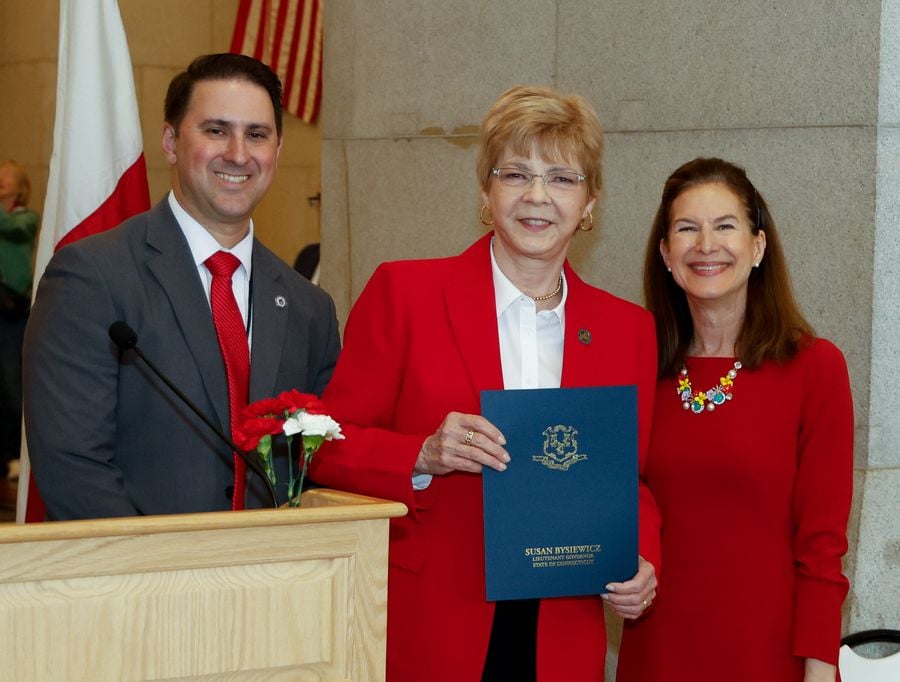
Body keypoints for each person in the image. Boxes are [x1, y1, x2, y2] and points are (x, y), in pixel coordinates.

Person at [309, 85, 661, 682]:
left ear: (591, 201)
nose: (537, 196)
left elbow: (631, 479)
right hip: (434, 623)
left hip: (562, 627)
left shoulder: (628, 330)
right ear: (485, 191)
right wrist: (422, 453)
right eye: (516, 173)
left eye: (562, 178)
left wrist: (644, 558)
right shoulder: (405, 295)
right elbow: (326, 446)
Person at [24, 54, 340, 520]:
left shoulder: (308, 306)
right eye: (215, 130)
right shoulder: (91, 278)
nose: (237, 153)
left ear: (278, 148)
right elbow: (74, 464)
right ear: (171, 141)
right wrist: (164, 579)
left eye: (257, 134)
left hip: (273, 583)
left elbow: (321, 464)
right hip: (138, 581)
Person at [617, 158, 853, 682]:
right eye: (686, 229)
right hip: (658, 655)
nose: (706, 245)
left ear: (758, 246)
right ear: (665, 254)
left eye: (725, 225)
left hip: (770, 657)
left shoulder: (815, 368)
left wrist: (819, 671)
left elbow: (822, 547)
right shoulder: (636, 370)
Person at [0, 160, 38, 480]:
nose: (1, 178)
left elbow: (13, 230)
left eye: (7, 174)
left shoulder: (25, 218)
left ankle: (15, 453)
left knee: (13, 383)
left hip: (12, 310)